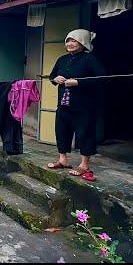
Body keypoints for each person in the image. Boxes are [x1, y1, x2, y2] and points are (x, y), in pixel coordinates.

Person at [46, 29, 105, 181]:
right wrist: (55, 79)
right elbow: (51, 77)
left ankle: (85, 164)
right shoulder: (62, 59)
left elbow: (102, 79)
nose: (70, 44)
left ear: (83, 42)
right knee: (61, 130)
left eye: (74, 41)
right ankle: (63, 159)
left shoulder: (90, 59)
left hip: (83, 105)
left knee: (84, 133)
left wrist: (79, 82)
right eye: (68, 41)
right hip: (64, 104)